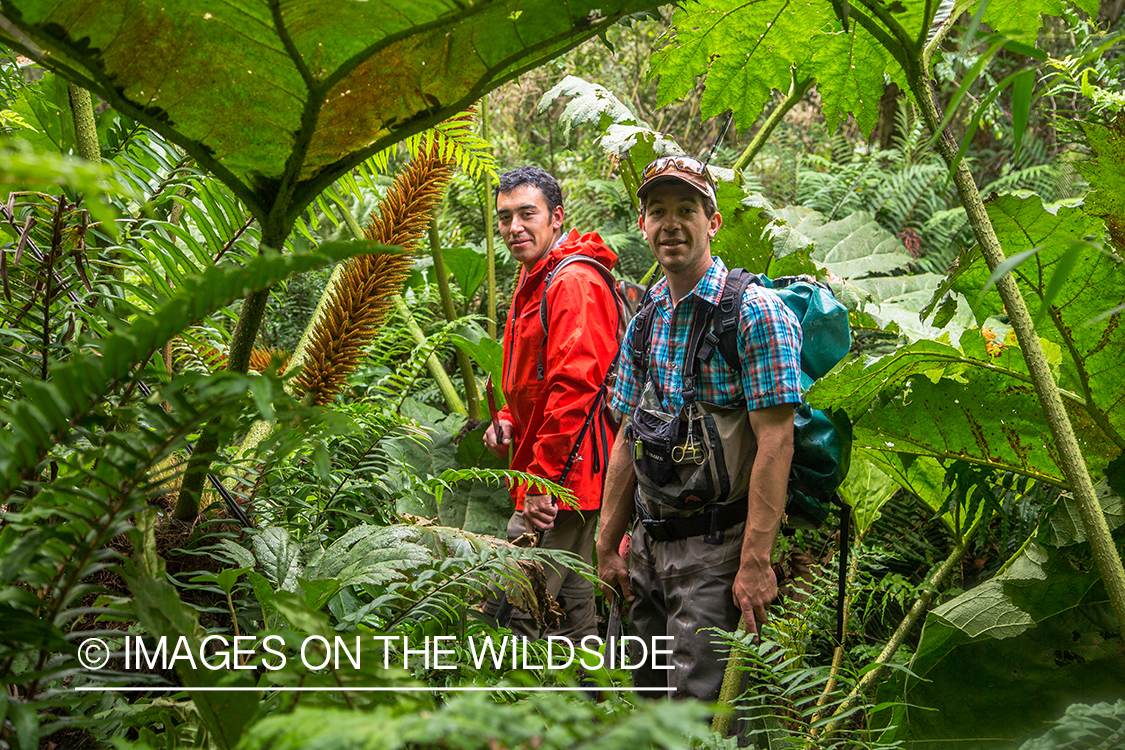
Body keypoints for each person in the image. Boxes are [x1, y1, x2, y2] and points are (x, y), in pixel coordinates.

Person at [596, 155, 804, 700]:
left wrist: (755, 563)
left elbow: (776, 441)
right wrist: (606, 542)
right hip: (646, 543)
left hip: (717, 551)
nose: (671, 225)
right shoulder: (645, 319)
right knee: (646, 705)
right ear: (642, 225)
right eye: (657, 211)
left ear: (712, 221)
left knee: (701, 713)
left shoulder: (755, 313)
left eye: (686, 209)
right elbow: (625, 436)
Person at [484, 166, 621, 641]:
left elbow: (576, 389)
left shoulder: (570, 283)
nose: (514, 227)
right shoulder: (533, 279)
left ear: (556, 217)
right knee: (572, 605)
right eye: (504, 218)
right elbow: (533, 380)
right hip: (562, 476)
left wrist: (541, 485)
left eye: (527, 214)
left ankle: (505, 712)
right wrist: (505, 419)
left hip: (560, 479)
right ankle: (591, 709)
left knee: (515, 612)